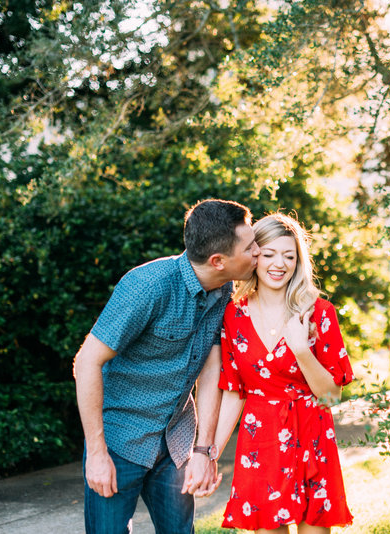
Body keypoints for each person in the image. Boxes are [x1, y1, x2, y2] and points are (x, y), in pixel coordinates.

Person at [73, 199, 260, 534]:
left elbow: (210, 368)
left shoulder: (223, 289)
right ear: (218, 261)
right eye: (250, 247)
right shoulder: (148, 287)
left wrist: (204, 450)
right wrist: (97, 454)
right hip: (120, 442)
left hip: (176, 442)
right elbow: (87, 360)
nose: (258, 251)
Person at [212, 213, 354, 533]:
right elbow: (234, 391)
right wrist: (210, 454)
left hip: (312, 432)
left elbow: (331, 396)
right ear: (254, 255)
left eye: (289, 255)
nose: (280, 264)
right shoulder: (234, 314)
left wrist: (302, 350)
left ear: (298, 261)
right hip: (260, 437)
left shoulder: (319, 312)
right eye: (270, 253)